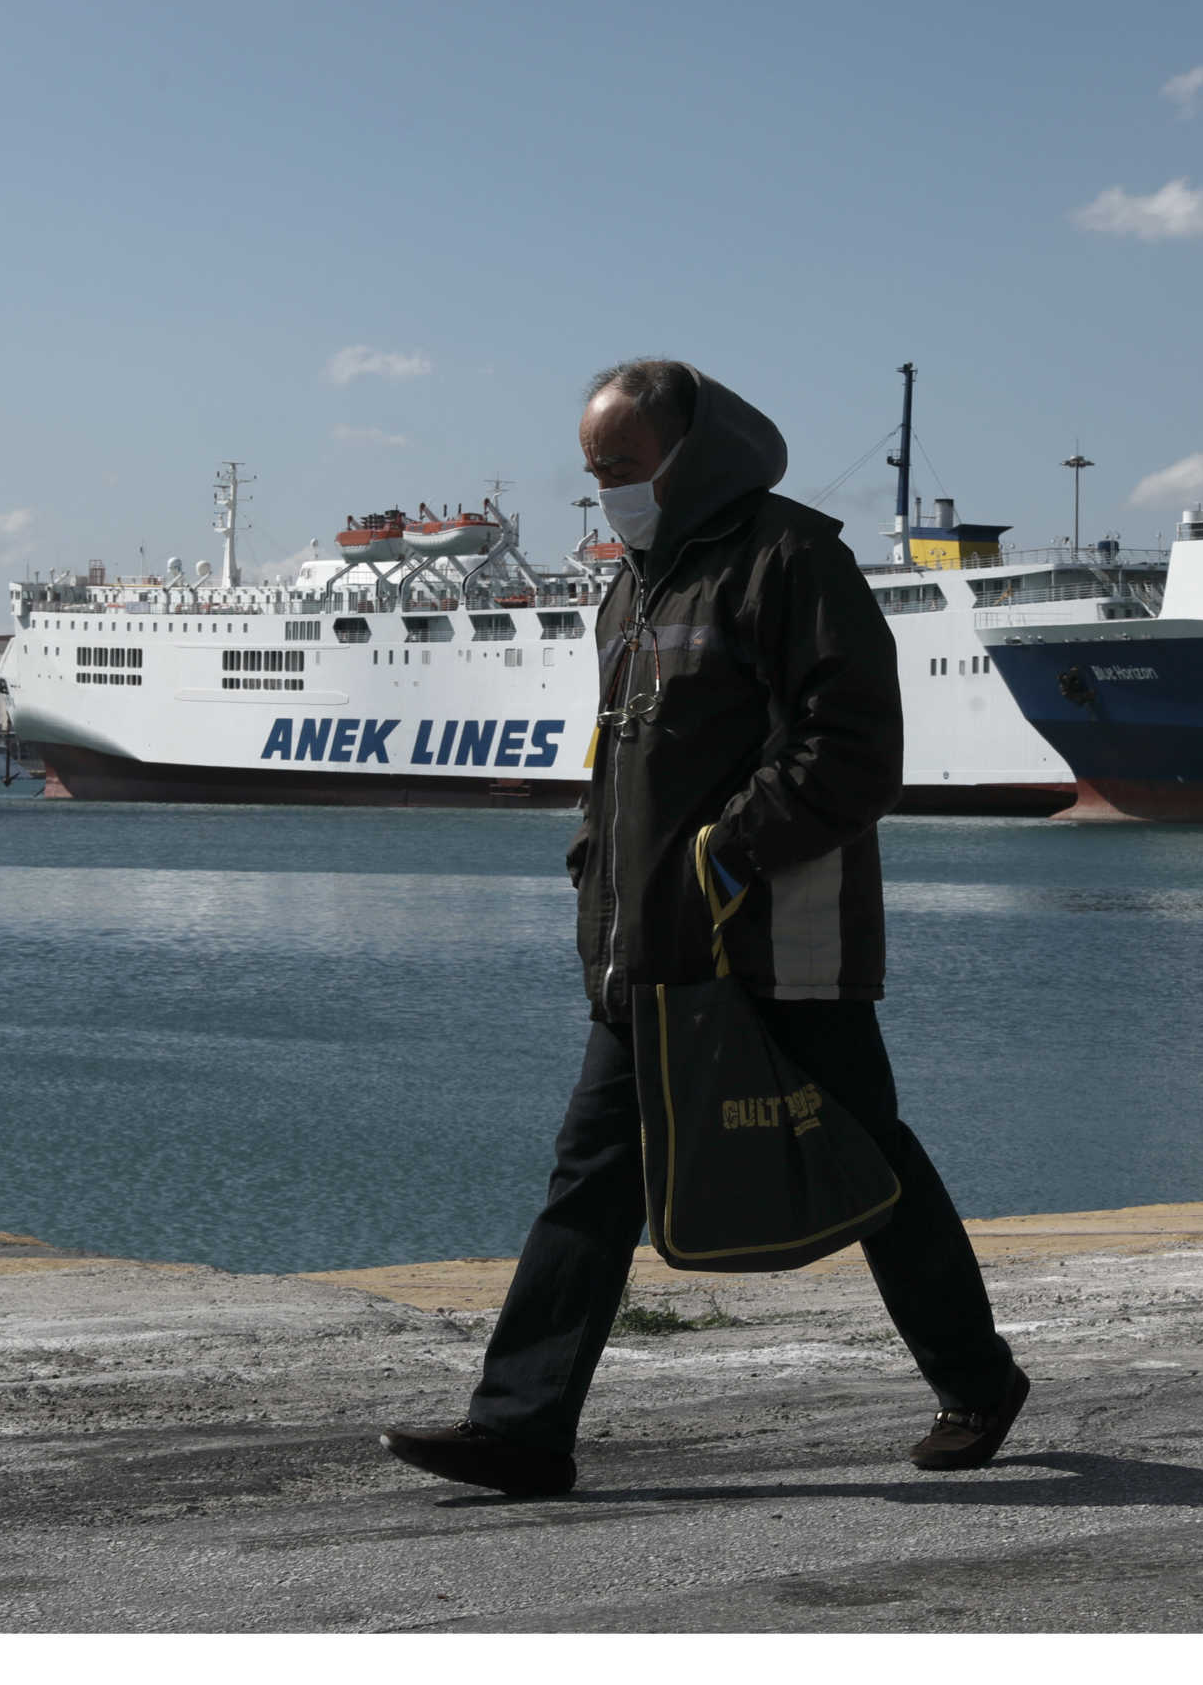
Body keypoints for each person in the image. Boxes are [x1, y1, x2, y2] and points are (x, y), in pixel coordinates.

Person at [381, 359, 1028, 1497]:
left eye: (622, 468)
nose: (606, 493)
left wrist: (722, 856)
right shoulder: (632, 585)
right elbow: (618, 766)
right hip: (648, 949)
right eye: (594, 474)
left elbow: (855, 752)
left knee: (870, 1161)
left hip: (778, 941)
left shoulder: (792, 561)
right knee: (590, 1175)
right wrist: (601, 873)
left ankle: (977, 1380)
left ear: (690, 453)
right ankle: (521, 1429)